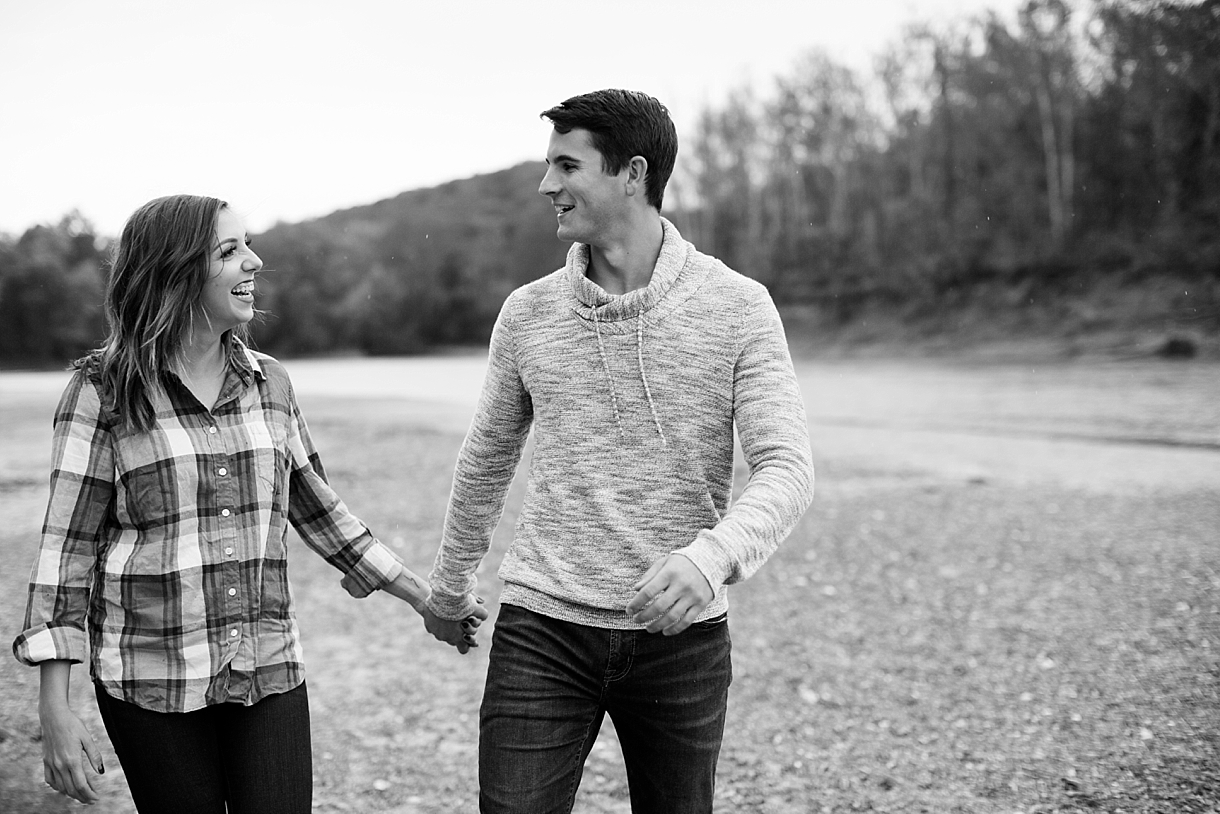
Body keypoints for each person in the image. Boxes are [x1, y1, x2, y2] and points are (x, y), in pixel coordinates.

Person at [11, 194, 486, 814]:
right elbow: (66, 551)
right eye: (230, 251)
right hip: (151, 679)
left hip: (267, 662)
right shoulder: (102, 390)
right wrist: (55, 708)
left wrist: (427, 599)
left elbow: (318, 510)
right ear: (175, 270)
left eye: (248, 245)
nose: (254, 262)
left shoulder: (271, 382)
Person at [422, 89, 815, 813]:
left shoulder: (738, 306)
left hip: (682, 639)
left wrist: (711, 558)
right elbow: (487, 457)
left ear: (632, 174)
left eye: (567, 166)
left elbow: (787, 467)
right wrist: (449, 586)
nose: (548, 185)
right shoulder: (529, 313)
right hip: (543, 629)